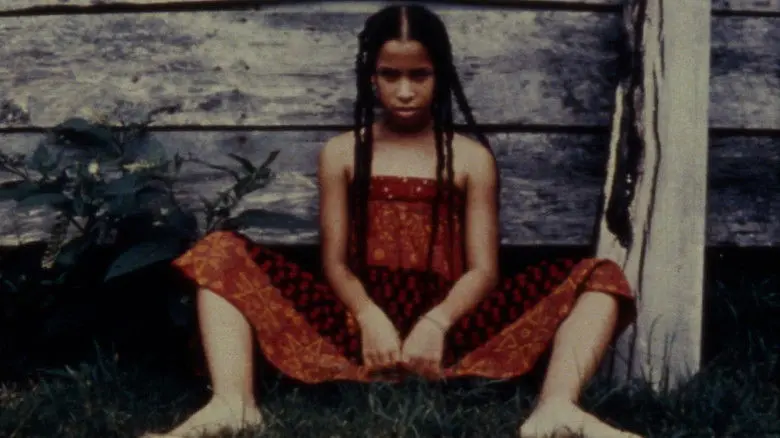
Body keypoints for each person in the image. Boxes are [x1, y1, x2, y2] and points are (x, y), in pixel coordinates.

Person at [141, 4, 641, 438]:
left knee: (598, 277)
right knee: (219, 253)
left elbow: (484, 270)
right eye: (390, 75)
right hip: (354, 325)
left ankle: (556, 407)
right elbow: (334, 263)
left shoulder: (471, 159)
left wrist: (436, 322)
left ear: (440, 76)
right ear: (371, 77)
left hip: (452, 328)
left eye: (419, 76)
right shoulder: (342, 153)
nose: (404, 91)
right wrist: (368, 317)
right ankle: (234, 403)